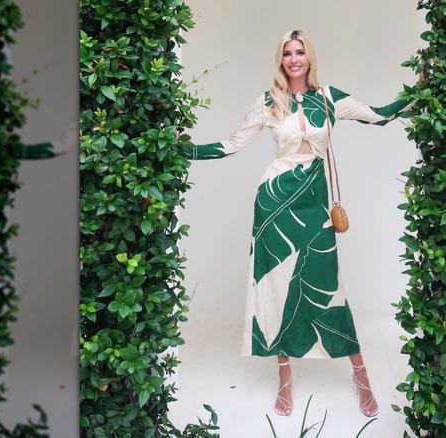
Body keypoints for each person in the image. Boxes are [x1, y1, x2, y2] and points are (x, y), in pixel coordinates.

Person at [182, 29, 413, 417]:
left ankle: (362, 378)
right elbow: (232, 144)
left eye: (300, 52)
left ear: (309, 58)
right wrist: (181, 148)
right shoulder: (268, 101)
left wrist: (418, 93)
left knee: (329, 287)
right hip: (274, 202)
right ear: (280, 59)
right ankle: (285, 378)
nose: (293, 59)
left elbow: (380, 116)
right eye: (287, 53)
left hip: (314, 204)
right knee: (276, 288)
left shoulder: (329, 97)